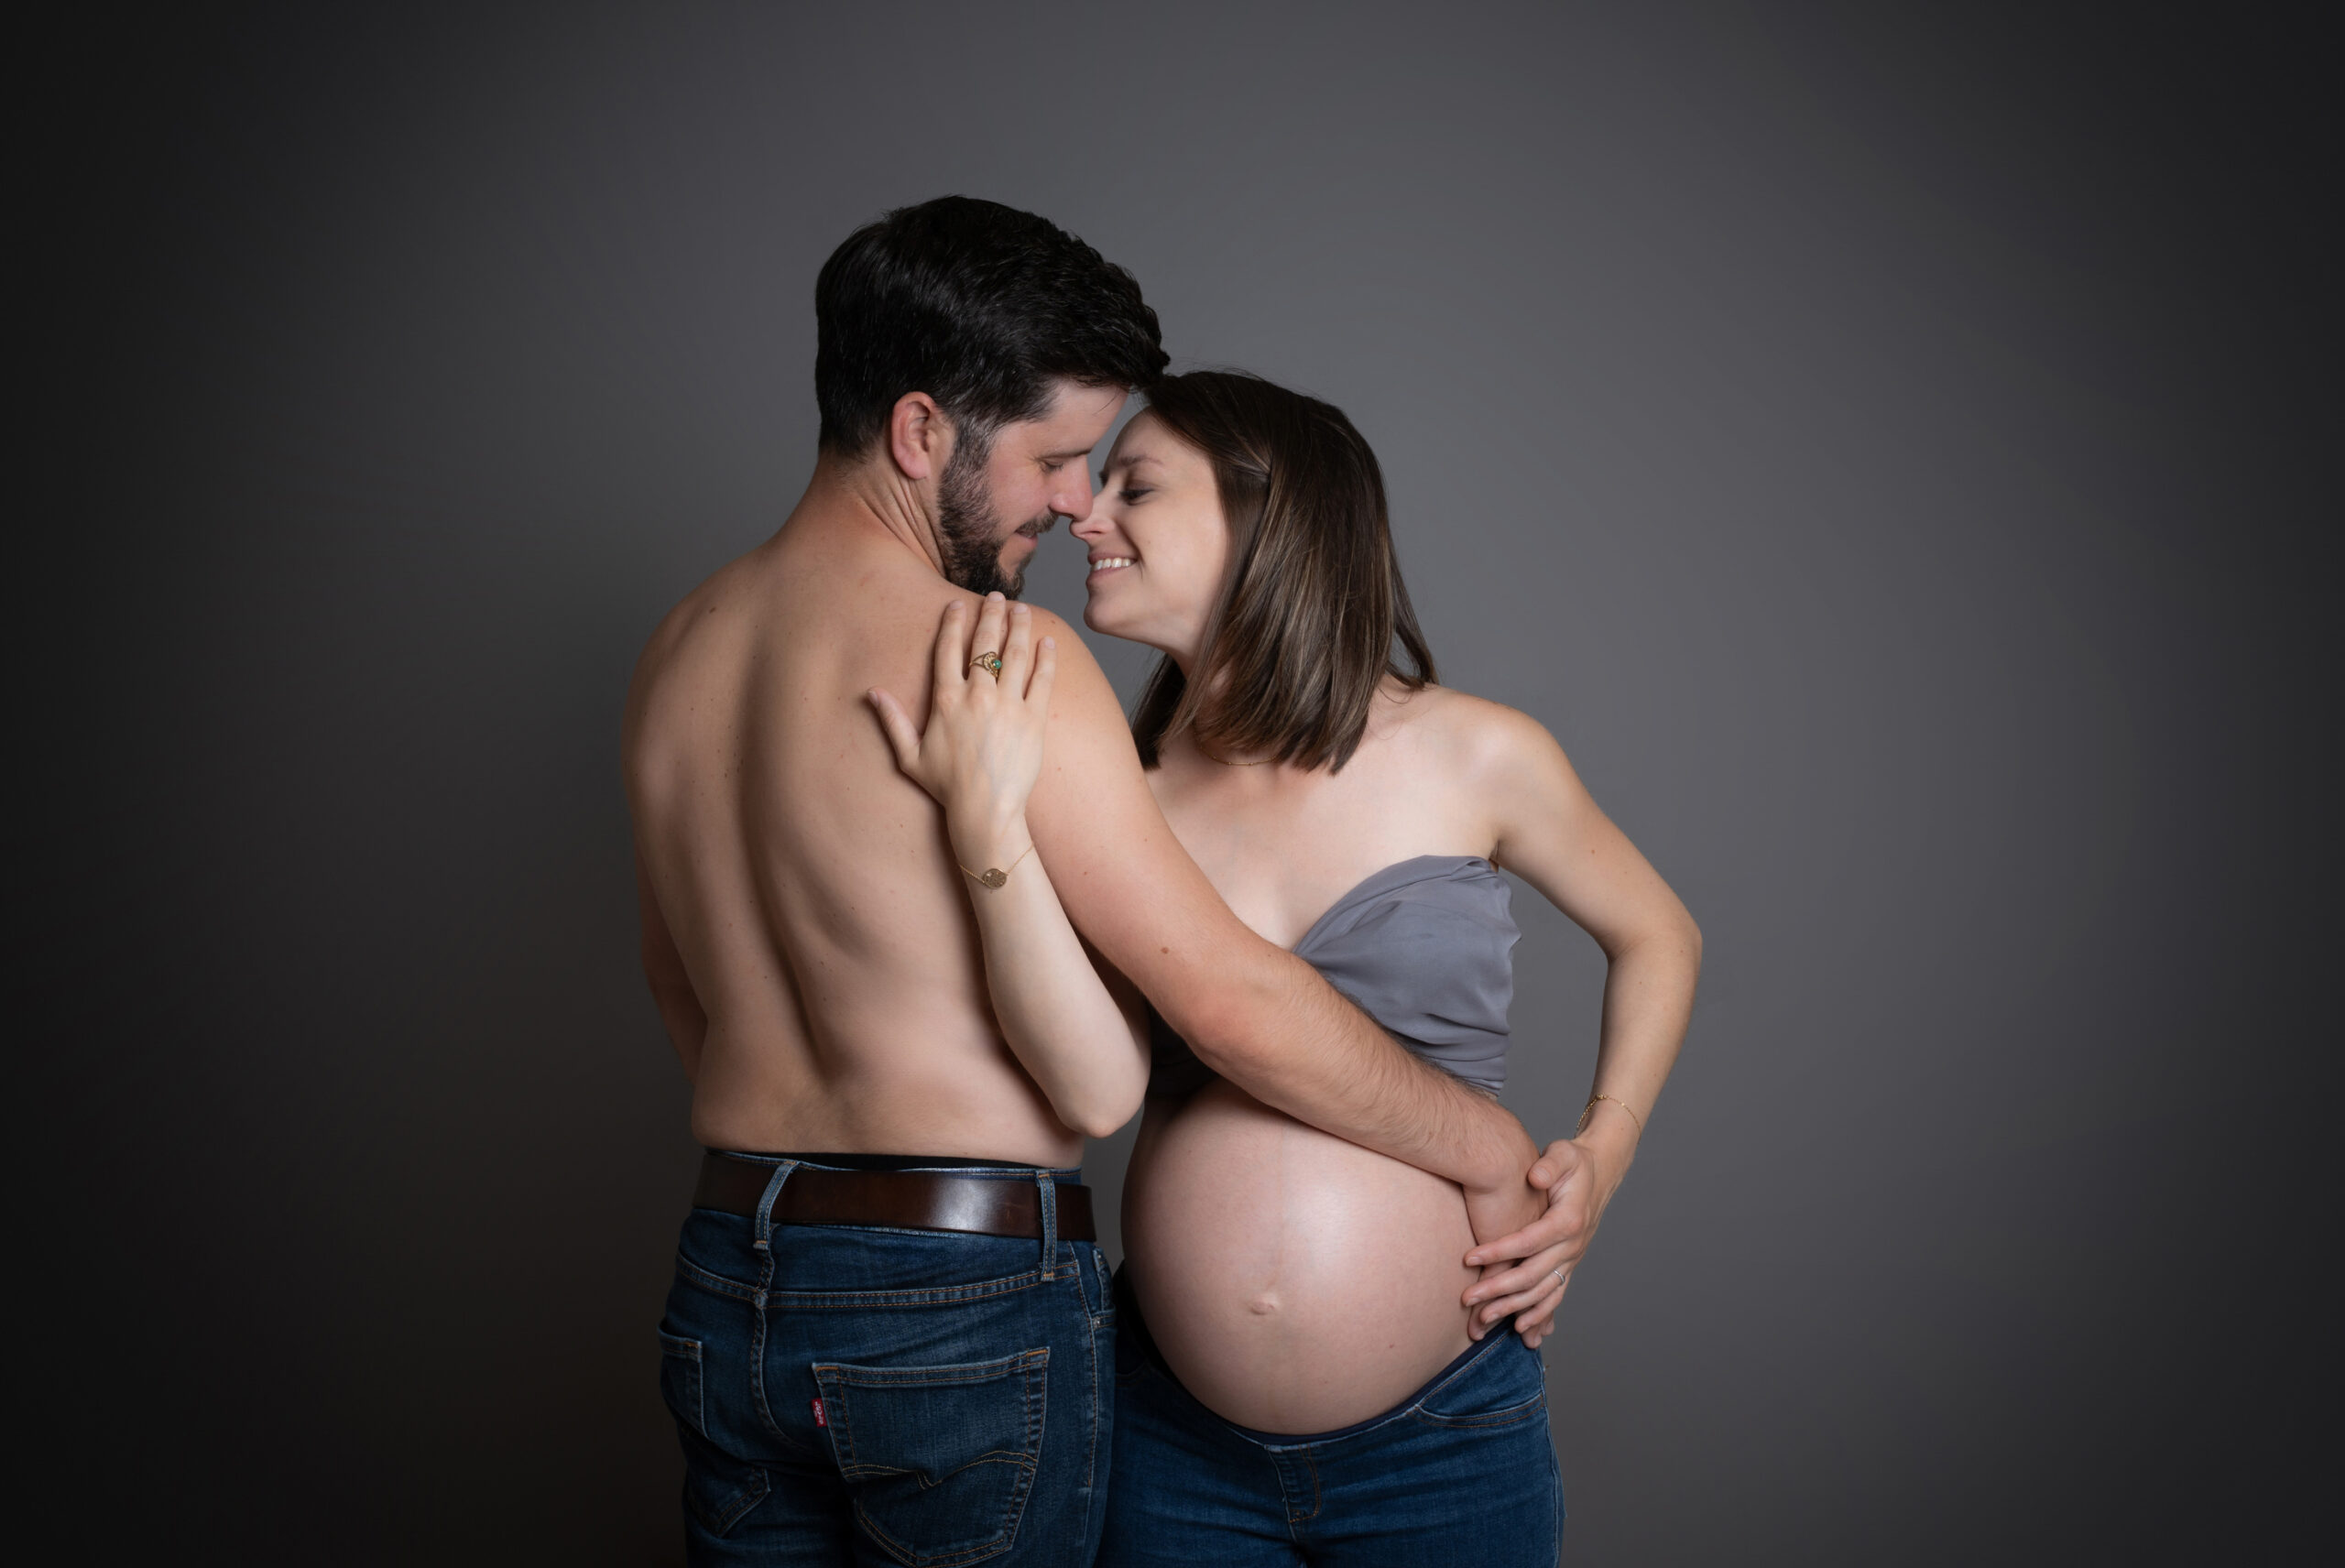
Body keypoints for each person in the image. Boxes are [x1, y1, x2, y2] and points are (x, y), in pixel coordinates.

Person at [625, 201, 1569, 1564]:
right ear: (920, 431)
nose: (1075, 503)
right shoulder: (1000, 657)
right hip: (954, 1295)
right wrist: (1486, 1148)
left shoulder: (680, 650)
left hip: (731, 1270)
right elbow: (1215, 1010)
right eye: (1057, 457)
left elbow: (677, 976)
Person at [870, 371, 1701, 1564]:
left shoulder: (1475, 752)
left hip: (1442, 1440)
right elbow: (1083, 1079)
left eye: (1137, 487)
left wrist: (1601, 1156)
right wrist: (988, 826)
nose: (1085, 513)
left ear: (1269, 516)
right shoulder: (1121, 800)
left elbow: (1659, 933)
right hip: (1168, 1439)